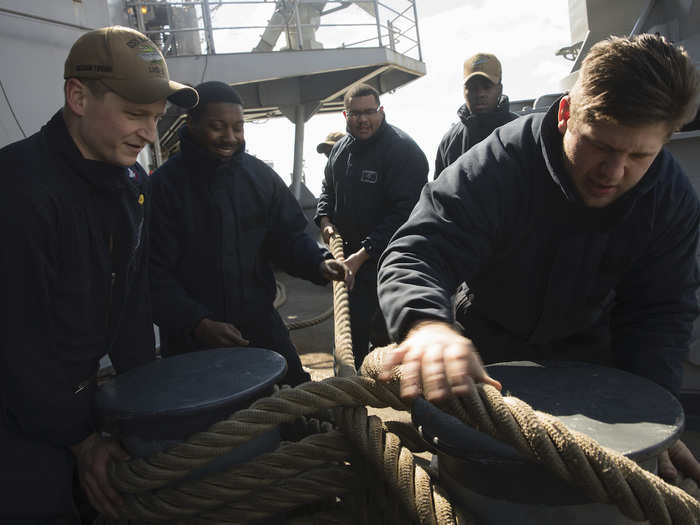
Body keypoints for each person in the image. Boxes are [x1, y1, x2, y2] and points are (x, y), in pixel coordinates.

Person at [377, 35, 700, 484]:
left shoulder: (670, 200)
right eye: (601, 146)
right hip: (485, 361)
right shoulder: (500, 163)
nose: (614, 172)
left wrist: (653, 412)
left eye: (640, 155)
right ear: (567, 114)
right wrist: (426, 324)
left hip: (593, 364)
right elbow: (419, 248)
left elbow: (661, 312)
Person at [0, 26, 198, 523]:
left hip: (84, 398)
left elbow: (133, 301)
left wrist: (137, 412)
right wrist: (81, 441)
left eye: (155, 118)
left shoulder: (134, 183)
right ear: (78, 97)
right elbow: (16, 341)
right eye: (135, 115)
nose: (150, 135)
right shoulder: (19, 189)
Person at [149, 81, 348, 386]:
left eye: (238, 127)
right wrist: (197, 323)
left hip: (259, 324)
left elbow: (288, 238)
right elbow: (152, 274)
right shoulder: (163, 188)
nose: (230, 137)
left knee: (297, 398)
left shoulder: (261, 178)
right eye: (217, 126)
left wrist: (318, 263)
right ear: (191, 124)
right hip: (192, 339)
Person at [316, 83, 429, 368]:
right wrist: (325, 220)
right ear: (345, 115)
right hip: (353, 264)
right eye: (355, 113)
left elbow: (405, 214)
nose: (363, 119)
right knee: (349, 343)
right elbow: (327, 191)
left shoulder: (403, 151)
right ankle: (350, 400)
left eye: (369, 112)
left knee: (396, 342)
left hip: (395, 263)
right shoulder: (340, 151)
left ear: (381, 111)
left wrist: (364, 253)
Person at [434, 53, 518, 179]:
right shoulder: (448, 142)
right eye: (472, 87)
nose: (480, 94)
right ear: (463, 91)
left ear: (499, 89)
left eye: (486, 86)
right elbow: (438, 195)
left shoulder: (520, 133)